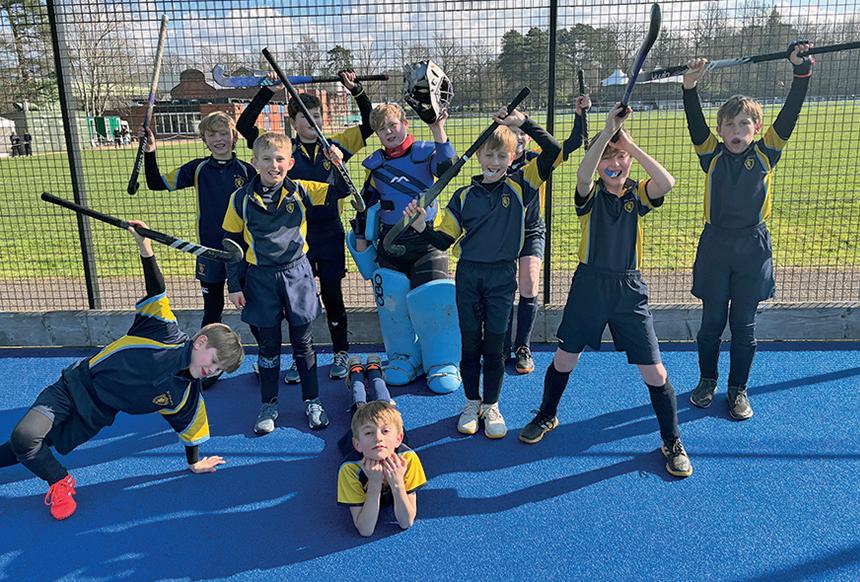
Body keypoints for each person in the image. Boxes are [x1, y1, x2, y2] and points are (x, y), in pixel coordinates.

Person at [0, 223, 244, 520]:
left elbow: (190, 431)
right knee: (25, 437)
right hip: (73, 387)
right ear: (201, 341)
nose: (212, 371)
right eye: (214, 361)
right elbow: (157, 291)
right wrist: (145, 246)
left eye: (219, 369)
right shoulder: (163, 332)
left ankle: (48, 474)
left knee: (25, 447)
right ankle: (61, 481)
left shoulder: (186, 397)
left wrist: (194, 463)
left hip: (95, 416)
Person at [518, 104, 693, 479]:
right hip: (589, 287)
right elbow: (583, 173)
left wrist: (629, 144)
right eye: (607, 159)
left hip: (630, 290)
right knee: (565, 358)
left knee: (655, 371)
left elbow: (667, 182)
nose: (615, 164)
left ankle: (672, 440)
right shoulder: (589, 195)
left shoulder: (638, 194)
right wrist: (607, 132)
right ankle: (547, 414)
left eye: (620, 157)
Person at [403, 109, 561, 439]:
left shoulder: (522, 186)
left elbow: (554, 150)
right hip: (469, 277)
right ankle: (471, 403)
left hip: (502, 277)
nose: (494, 162)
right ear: (478, 156)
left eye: (502, 156)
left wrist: (522, 123)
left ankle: (491, 405)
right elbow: (443, 240)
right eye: (489, 155)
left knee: (495, 346)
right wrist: (421, 227)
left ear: (513, 157)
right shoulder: (462, 196)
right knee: (471, 344)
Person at [683, 42, 814, 420]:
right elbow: (695, 120)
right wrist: (690, 87)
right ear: (720, 130)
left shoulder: (766, 152)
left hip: (753, 250)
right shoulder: (710, 155)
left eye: (744, 124)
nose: (737, 130)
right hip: (715, 246)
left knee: (743, 326)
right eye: (730, 124)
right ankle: (707, 380)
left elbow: (790, 112)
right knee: (711, 323)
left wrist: (801, 71)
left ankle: (738, 389)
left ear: (756, 129)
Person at [237, 70, 373, 382]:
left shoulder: (336, 145)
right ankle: (300, 357)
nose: (313, 122)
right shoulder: (284, 152)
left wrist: (357, 90)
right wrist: (266, 92)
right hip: (293, 237)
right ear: (293, 121)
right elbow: (244, 126)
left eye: (317, 116)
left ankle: (341, 351)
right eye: (305, 117)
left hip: (329, 232)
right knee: (295, 301)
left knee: (333, 294)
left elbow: (369, 124)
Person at [223, 132, 346, 434]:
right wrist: (234, 285)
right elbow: (230, 244)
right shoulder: (239, 198)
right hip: (260, 278)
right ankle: (269, 404)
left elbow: (341, 191)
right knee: (268, 347)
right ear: (254, 162)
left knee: (303, 343)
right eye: (266, 159)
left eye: (280, 159)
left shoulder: (303, 189)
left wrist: (338, 164)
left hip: (297, 275)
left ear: (290, 163)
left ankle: (312, 401)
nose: (273, 165)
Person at [346, 102, 461, 395]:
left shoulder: (425, 154)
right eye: (382, 129)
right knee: (392, 305)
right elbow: (365, 209)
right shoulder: (375, 167)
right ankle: (404, 357)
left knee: (433, 301)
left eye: (393, 125)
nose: (389, 132)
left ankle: (441, 361)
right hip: (390, 244)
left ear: (405, 123)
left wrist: (438, 130)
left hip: (426, 243)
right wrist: (362, 246)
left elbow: (448, 169)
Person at [143, 112, 255, 335]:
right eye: (211, 135)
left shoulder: (247, 171)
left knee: (252, 308)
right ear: (204, 139)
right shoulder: (197, 168)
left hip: (241, 252)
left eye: (223, 133)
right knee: (212, 310)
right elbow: (155, 183)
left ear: (234, 136)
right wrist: (150, 151)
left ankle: (266, 354)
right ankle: (205, 352)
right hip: (208, 251)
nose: (218, 139)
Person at [503, 94, 592, 374]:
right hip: (502, 235)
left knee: (529, 284)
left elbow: (572, 143)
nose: (518, 137)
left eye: (521, 132)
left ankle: (523, 347)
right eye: (512, 131)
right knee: (503, 288)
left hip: (531, 230)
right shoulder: (497, 161)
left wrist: (580, 114)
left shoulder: (537, 160)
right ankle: (502, 345)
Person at [337, 401, 426, 537]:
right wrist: (374, 483)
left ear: (398, 439)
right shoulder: (349, 469)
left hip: (391, 443)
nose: (378, 438)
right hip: (356, 446)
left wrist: (397, 484)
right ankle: (357, 390)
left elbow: (406, 522)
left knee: (386, 406)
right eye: (369, 433)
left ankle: (382, 393)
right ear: (357, 444)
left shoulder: (408, 459)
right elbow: (365, 530)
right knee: (358, 408)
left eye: (385, 431)